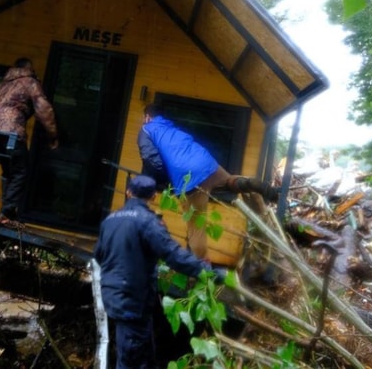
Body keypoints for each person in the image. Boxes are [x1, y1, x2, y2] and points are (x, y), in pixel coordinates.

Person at [93, 175, 225, 369]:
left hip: (114, 295)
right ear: (154, 196)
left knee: (143, 355)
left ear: (128, 192)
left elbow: (98, 255)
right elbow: (174, 255)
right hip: (132, 300)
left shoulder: (110, 220)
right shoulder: (148, 222)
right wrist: (208, 272)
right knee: (130, 359)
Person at [138, 102, 279, 259]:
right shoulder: (171, 127)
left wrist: (161, 181)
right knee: (229, 182)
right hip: (207, 163)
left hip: (188, 179)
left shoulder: (146, 129)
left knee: (196, 229)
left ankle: (202, 269)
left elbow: (151, 160)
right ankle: (247, 183)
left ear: (147, 117)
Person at [0, 57, 59, 225]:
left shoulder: (5, 83)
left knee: (8, 172)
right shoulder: (29, 82)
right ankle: (7, 212)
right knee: (20, 171)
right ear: (27, 68)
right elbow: (44, 109)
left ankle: (6, 213)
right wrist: (53, 135)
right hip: (11, 132)